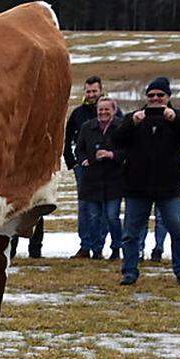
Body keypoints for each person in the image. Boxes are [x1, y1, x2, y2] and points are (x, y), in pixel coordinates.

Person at [113, 77, 180, 286]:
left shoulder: (179, 117)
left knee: (178, 229)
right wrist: (132, 123)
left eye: (160, 95)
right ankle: (129, 271)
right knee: (131, 233)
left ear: (168, 97)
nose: (155, 99)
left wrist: (174, 120)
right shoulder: (134, 118)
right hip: (136, 187)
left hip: (168, 187)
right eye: (151, 95)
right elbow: (116, 139)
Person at [75, 97, 125, 260]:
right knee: (94, 218)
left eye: (106, 109)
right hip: (92, 180)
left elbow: (127, 150)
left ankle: (117, 248)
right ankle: (96, 250)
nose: (103, 113)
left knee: (112, 217)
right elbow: (79, 148)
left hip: (114, 180)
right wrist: (83, 160)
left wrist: (111, 155)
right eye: (100, 110)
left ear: (114, 110)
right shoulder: (87, 127)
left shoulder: (121, 127)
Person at [65, 76, 103, 258]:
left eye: (94, 91)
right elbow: (67, 138)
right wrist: (71, 161)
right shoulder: (78, 113)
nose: (91, 94)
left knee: (105, 207)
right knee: (85, 207)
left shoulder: (108, 110)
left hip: (106, 168)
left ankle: (101, 245)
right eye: (88, 91)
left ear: (101, 91)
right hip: (83, 167)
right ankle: (85, 245)